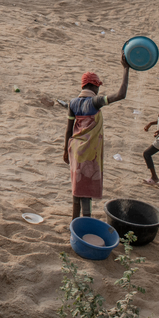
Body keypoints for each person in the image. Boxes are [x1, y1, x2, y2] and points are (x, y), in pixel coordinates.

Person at [63, 56, 130, 219]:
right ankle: (86, 221)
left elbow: (68, 129)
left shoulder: (73, 103)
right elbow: (121, 95)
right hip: (89, 154)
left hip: (75, 150)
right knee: (85, 191)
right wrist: (126, 69)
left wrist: (65, 150)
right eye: (97, 86)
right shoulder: (95, 101)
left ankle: (74, 221)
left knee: (77, 188)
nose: (98, 90)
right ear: (92, 86)